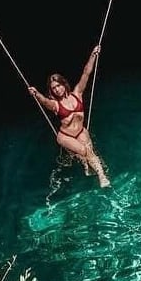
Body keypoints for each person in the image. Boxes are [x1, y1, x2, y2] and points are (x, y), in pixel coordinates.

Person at [28, 46, 111, 188]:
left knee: (90, 151)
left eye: (58, 85)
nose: (57, 89)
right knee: (84, 151)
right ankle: (92, 169)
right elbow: (45, 102)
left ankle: (101, 175)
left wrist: (93, 55)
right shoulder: (56, 105)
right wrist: (36, 94)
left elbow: (86, 73)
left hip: (80, 131)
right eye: (54, 88)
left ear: (63, 84)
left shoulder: (77, 94)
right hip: (65, 136)